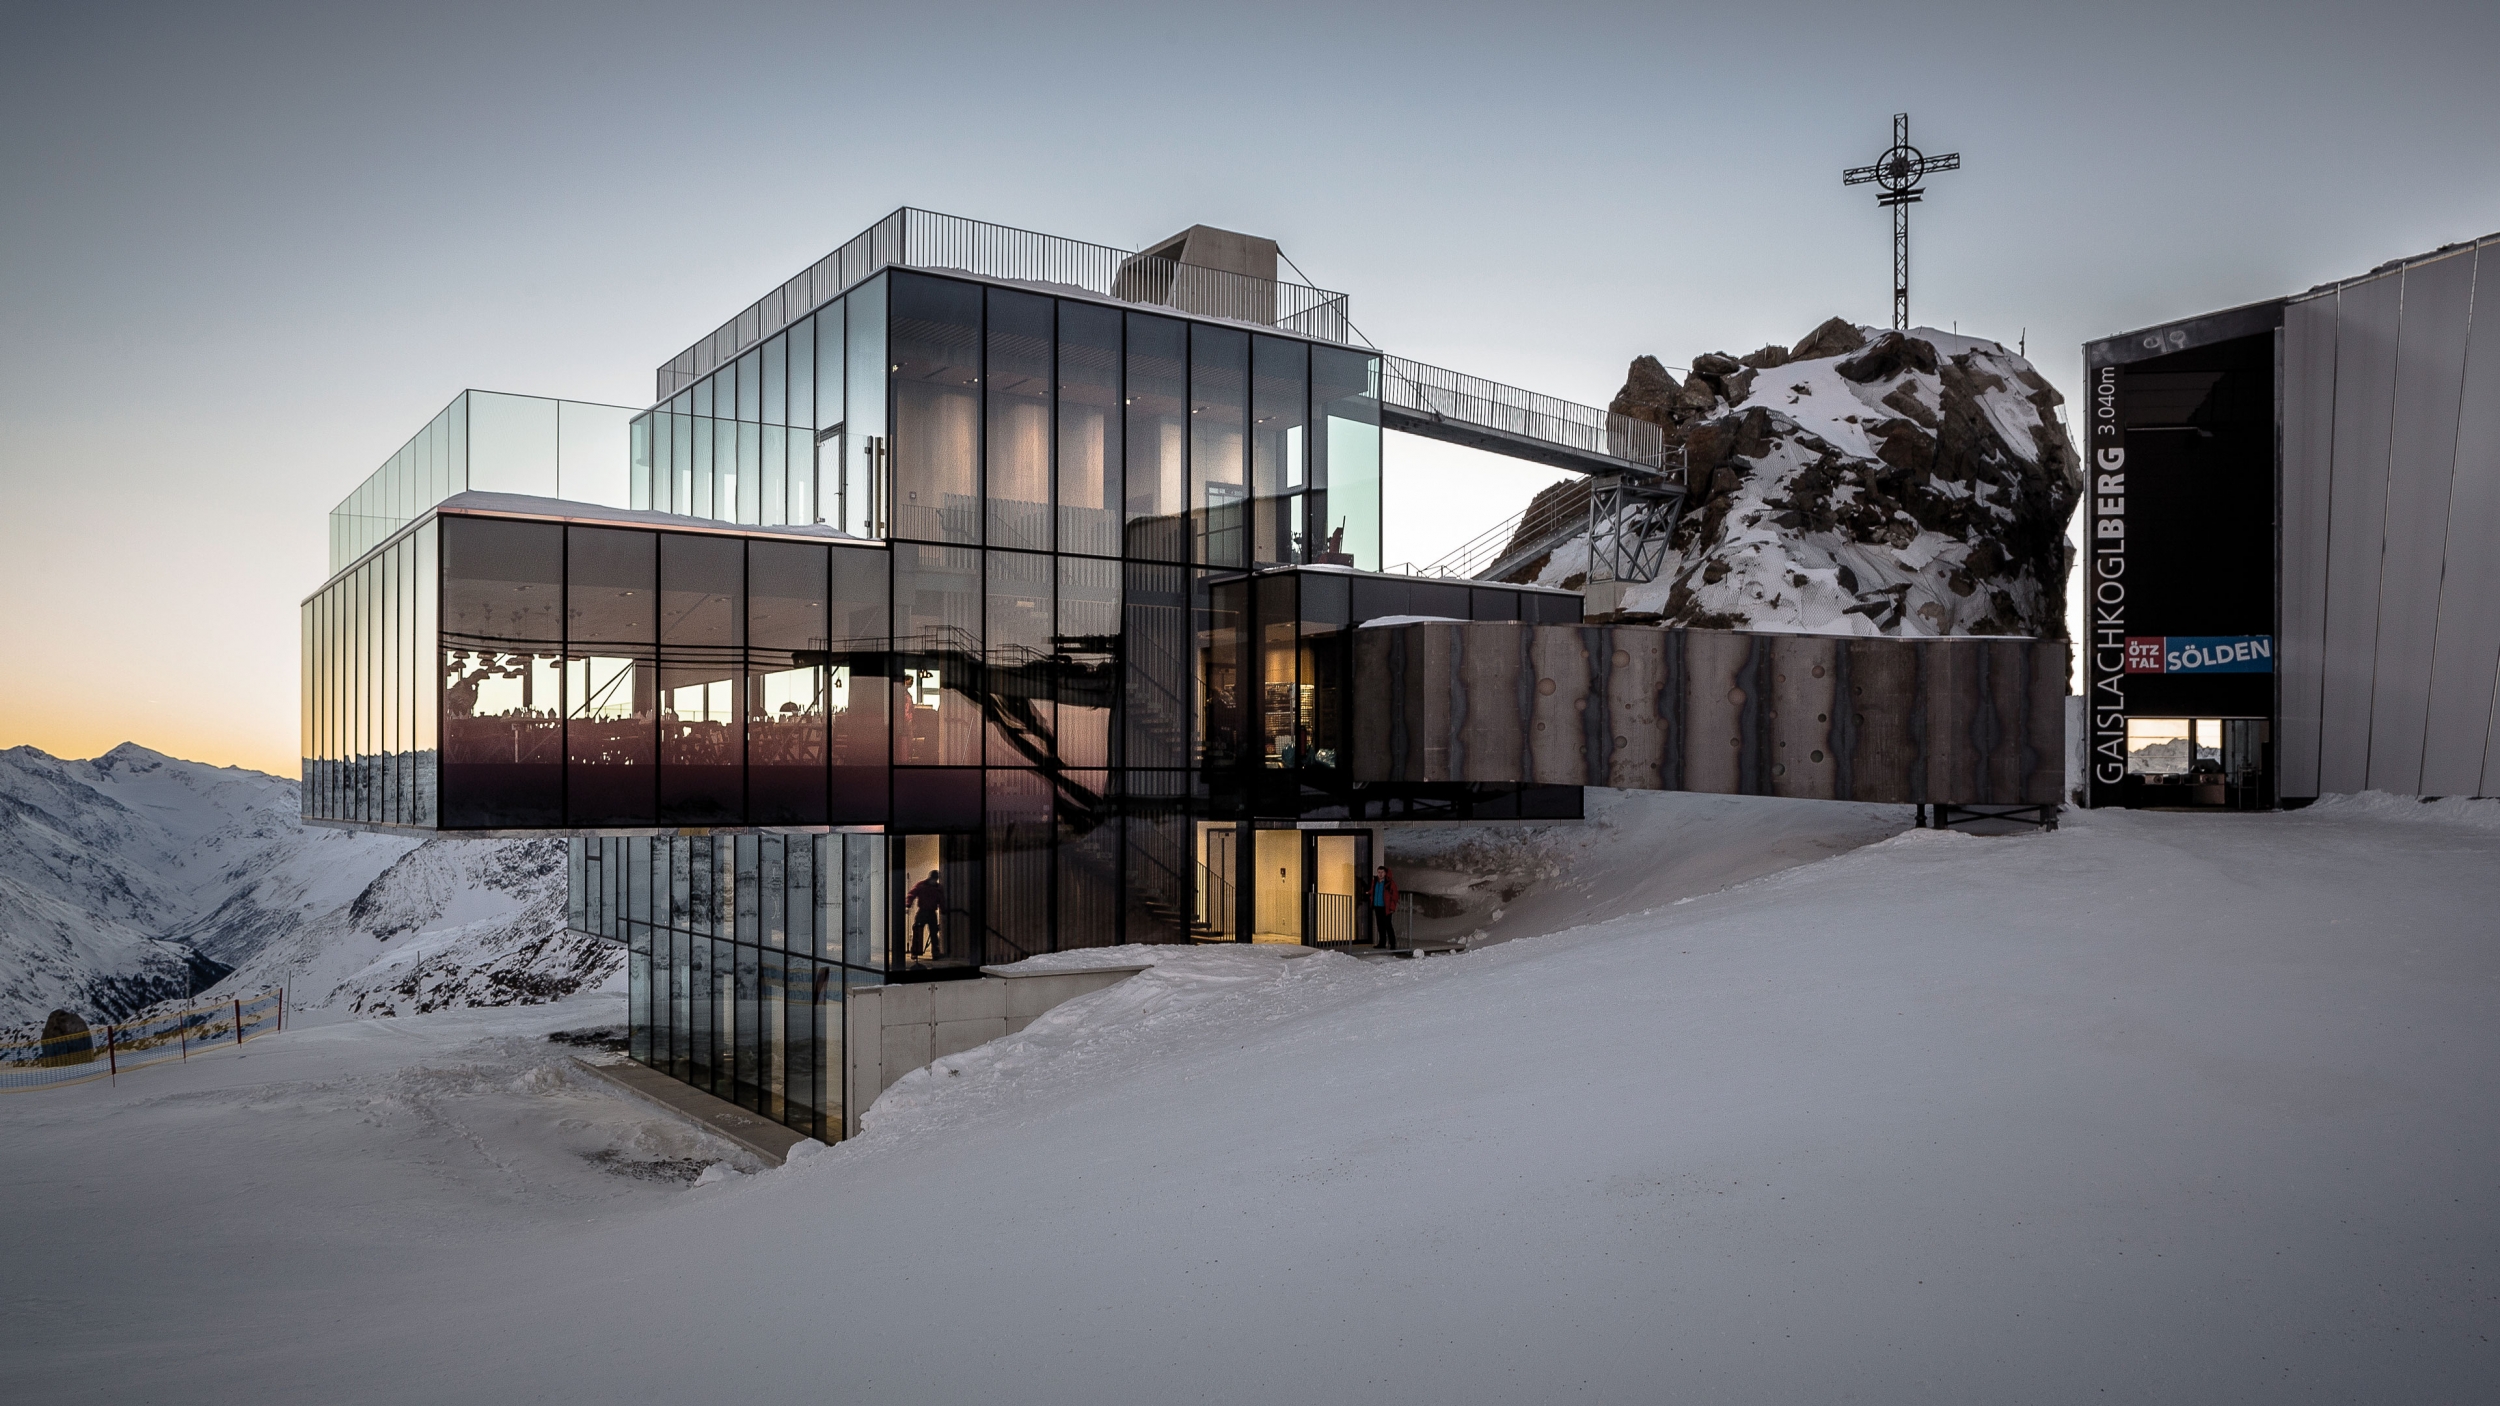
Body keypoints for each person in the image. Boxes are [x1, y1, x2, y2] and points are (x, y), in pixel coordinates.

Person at [907, 869, 946, 960]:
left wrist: (943, 910)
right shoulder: (924, 886)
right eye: (934, 879)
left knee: (933, 933)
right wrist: (908, 903)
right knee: (918, 932)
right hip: (924, 911)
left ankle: (934, 953)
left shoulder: (935, 888)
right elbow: (912, 894)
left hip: (930, 912)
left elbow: (941, 900)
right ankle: (916, 952)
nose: (934, 881)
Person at [1368, 864, 1399, 948]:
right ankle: (1382, 943)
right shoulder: (1375, 881)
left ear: (1385, 873)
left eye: (1382, 872)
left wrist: (1392, 907)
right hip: (1377, 906)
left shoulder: (1390, 883)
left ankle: (1392, 944)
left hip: (1386, 908)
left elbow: (1394, 896)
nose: (1380, 874)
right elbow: (1373, 891)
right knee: (1380, 926)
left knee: (1388, 926)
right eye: (1379, 872)